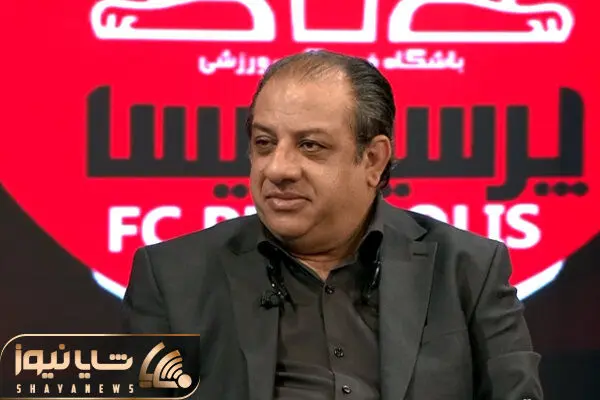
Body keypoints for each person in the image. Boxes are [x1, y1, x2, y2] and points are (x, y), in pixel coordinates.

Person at [123, 50, 543, 400]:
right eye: (264, 143)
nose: (278, 169)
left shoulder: (468, 268)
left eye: (310, 146)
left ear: (373, 160)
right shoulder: (171, 277)